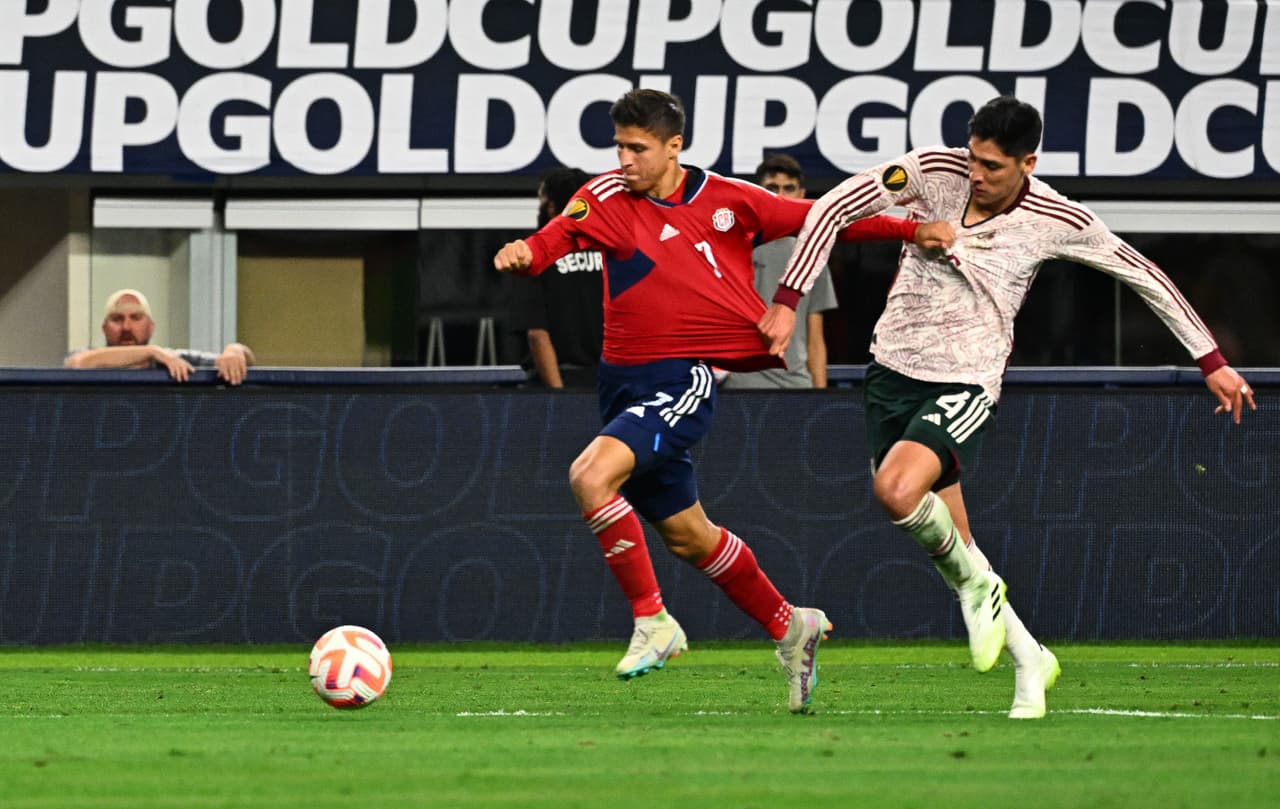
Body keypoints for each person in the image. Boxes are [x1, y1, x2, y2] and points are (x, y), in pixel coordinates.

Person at [759, 95, 1257, 719]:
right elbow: (831, 207)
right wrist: (786, 297)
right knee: (958, 548)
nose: (976, 174)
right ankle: (1030, 662)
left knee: (893, 490)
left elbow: (1143, 273)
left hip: (964, 381)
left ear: (1028, 162)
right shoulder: (932, 171)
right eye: (973, 159)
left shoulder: (1056, 216)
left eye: (993, 166)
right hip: (891, 372)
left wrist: (1210, 360)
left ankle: (982, 590)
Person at [494, 88, 953, 713]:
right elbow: (553, 237)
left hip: (680, 379)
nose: (624, 158)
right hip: (621, 385)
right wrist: (527, 254)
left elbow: (824, 217)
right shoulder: (604, 198)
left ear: (674, 146)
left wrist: (914, 228)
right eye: (618, 146)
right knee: (688, 537)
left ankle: (654, 621)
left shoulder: (732, 201)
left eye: (638, 147)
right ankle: (792, 626)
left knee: (588, 475)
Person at [721, 154, 839, 389]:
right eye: (772, 188)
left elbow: (815, 337)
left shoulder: (814, 253)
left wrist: (822, 395)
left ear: (802, 195)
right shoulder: (733, 246)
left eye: (789, 188)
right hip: (739, 386)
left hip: (796, 387)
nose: (781, 195)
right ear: (758, 192)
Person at [507, 167, 604, 388]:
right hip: (612, 384)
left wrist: (558, 397)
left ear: (551, 207)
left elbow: (537, 335)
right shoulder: (613, 249)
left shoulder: (532, 255)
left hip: (560, 382)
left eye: (542, 199)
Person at [65, 289, 255, 385]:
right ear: (105, 328)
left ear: (151, 327)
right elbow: (78, 363)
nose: (126, 326)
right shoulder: (89, 355)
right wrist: (152, 352)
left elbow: (244, 359)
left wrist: (234, 351)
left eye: (136, 317)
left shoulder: (172, 360)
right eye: (117, 319)